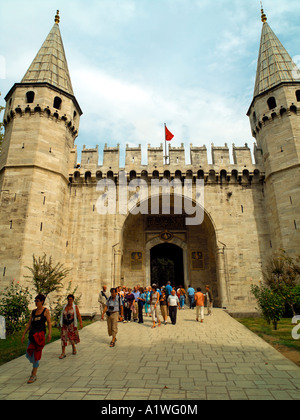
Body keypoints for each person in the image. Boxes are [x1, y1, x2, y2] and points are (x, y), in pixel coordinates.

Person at [21, 294, 52, 384]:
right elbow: (29, 323)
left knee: (36, 354)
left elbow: (49, 323)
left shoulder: (46, 311)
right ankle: (35, 365)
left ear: (42, 301)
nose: (36, 302)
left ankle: (34, 374)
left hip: (40, 336)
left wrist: (49, 334)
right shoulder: (33, 312)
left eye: (37, 300)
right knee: (28, 353)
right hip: (32, 335)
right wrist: (23, 334)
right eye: (35, 300)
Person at [59, 294, 83, 359]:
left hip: (71, 325)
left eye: (71, 299)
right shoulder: (64, 307)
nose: (69, 301)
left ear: (73, 300)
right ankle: (63, 352)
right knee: (63, 338)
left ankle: (73, 347)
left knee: (72, 337)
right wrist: (60, 323)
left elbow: (78, 315)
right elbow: (62, 315)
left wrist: (80, 323)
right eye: (68, 299)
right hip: (65, 325)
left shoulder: (75, 307)